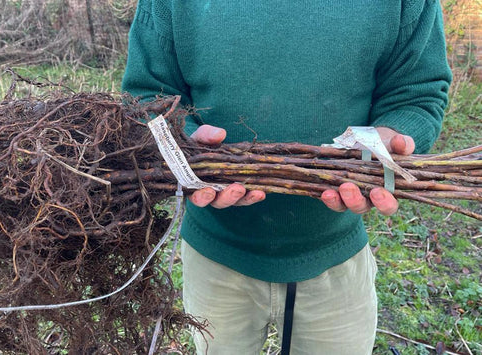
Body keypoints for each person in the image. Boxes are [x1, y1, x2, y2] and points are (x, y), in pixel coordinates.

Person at [122, 1, 452, 354]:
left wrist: (388, 138)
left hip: (335, 258)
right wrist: (189, 150)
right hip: (214, 256)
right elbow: (146, 97)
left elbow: (417, 90)